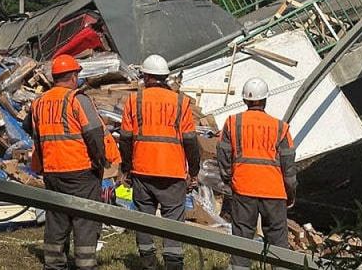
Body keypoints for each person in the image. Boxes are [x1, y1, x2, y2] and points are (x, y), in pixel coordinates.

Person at [24, 54, 108, 270]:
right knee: (85, 220)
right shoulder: (77, 99)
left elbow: (30, 129)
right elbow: (94, 133)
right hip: (80, 170)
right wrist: (99, 161)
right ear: (72, 77)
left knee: (57, 218)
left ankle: (54, 264)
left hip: (52, 170)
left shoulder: (39, 102)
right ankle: (85, 265)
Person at [119, 54, 200, 270]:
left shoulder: (134, 101)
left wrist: (125, 168)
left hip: (142, 170)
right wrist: (194, 171)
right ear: (165, 77)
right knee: (173, 221)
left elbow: (125, 139)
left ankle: (148, 263)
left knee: (144, 219)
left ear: (146, 76)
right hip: (172, 174)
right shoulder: (181, 102)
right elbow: (191, 141)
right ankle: (173, 264)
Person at [218, 78, 297, 270]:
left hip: (243, 189)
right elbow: (289, 168)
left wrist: (229, 179)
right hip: (274, 192)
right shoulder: (281, 127)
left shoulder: (232, 123)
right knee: (278, 241)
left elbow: (223, 155)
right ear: (265, 100)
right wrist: (290, 193)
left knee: (242, 239)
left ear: (245, 100)